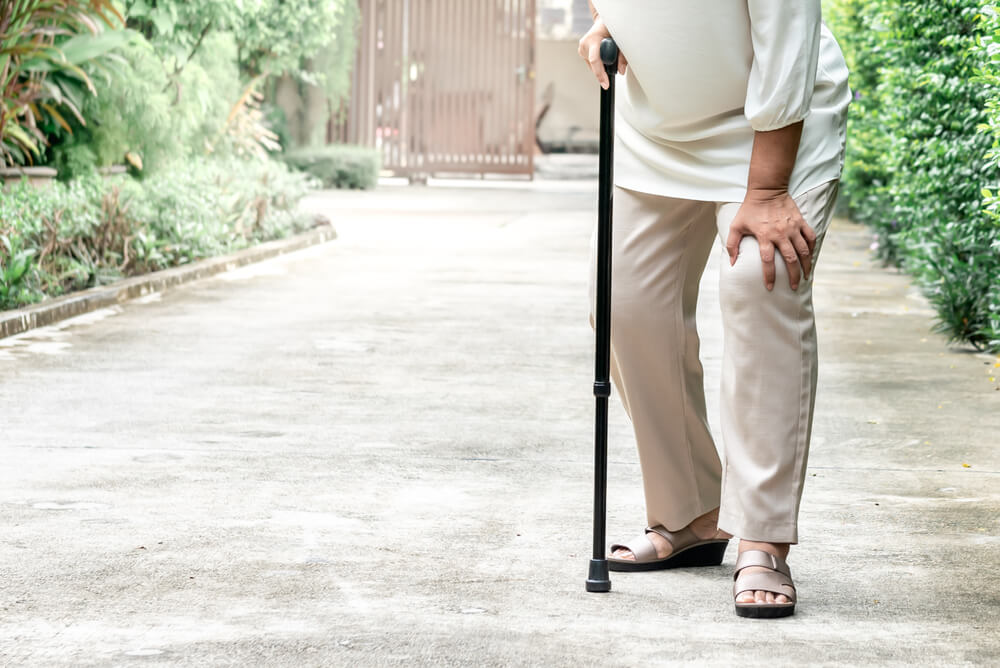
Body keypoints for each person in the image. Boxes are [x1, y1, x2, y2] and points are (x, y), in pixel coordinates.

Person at [579, 1, 851, 618]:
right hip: (661, 130)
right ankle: (692, 514)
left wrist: (766, 190)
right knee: (622, 299)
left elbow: (786, 43)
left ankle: (763, 535)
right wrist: (613, 24)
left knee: (761, 278)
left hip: (781, 122)